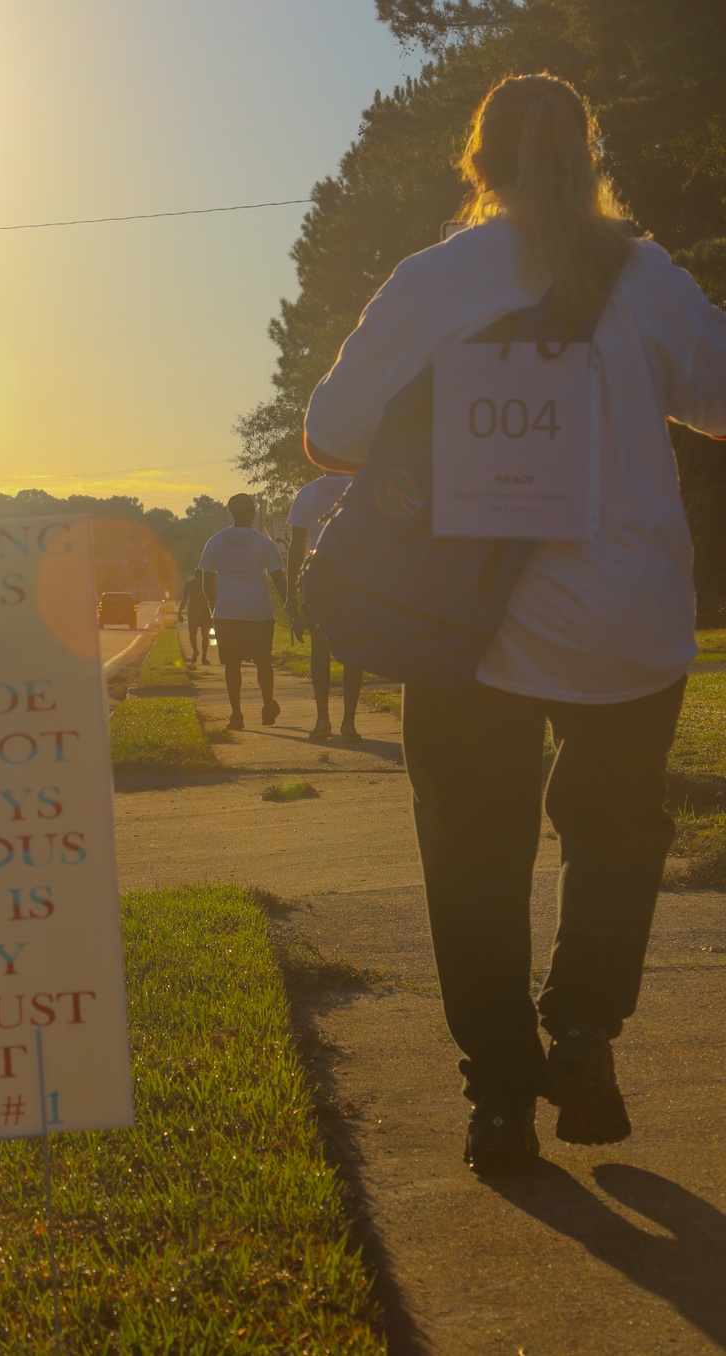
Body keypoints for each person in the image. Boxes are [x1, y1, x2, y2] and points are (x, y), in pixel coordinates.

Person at [304, 73, 726, 1174]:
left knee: (472, 856)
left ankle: (497, 1098)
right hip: (629, 619)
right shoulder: (646, 277)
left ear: (476, 166)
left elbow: (330, 433)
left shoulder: (432, 281)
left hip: (464, 623)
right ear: (592, 160)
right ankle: (582, 1027)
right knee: (619, 833)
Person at [199, 493, 288, 731]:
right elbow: (279, 578)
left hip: (227, 612)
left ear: (231, 512)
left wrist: (213, 606)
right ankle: (268, 706)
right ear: (253, 513)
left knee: (232, 664)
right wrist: (291, 605)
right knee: (263, 662)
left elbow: (208, 580)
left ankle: (236, 715)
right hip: (258, 612)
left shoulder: (216, 541)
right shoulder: (263, 543)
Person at [286, 473, 365, 741]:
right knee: (353, 650)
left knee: (319, 648)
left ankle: (322, 721)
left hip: (318, 578)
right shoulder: (363, 486)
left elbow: (297, 548)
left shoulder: (307, 493)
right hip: (354, 578)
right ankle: (349, 724)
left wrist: (291, 593)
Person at [177, 571, 212, 664]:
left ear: (195, 575)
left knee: (192, 635)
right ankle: (204, 658)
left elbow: (184, 600)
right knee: (205, 636)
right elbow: (213, 600)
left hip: (193, 612)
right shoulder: (207, 585)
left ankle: (195, 650)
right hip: (205, 613)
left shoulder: (189, 585)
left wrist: (179, 612)